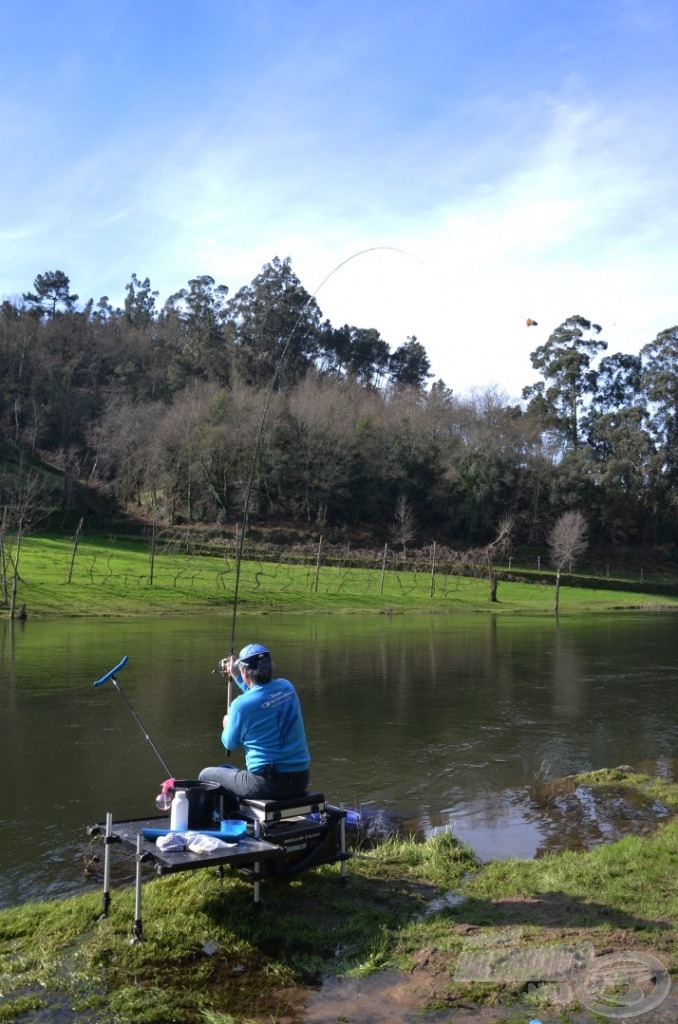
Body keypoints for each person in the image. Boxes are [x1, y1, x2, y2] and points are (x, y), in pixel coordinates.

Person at [199, 643, 311, 813]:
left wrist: (227, 724)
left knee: (206, 775)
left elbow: (229, 743)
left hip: (266, 784)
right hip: (300, 780)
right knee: (226, 771)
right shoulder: (287, 688)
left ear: (245, 672)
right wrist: (236, 676)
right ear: (269, 667)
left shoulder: (240, 706)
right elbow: (262, 697)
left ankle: (230, 822)